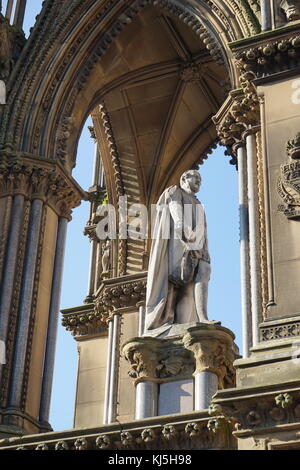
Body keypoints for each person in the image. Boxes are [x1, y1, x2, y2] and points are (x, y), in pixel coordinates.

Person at [144, 169, 211, 336]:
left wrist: (204, 249)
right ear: (184, 178)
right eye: (196, 177)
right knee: (177, 283)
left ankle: (200, 318)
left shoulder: (198, 203)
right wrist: (185, 232)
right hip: (178, 243)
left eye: (200, 179)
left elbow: (203, 228)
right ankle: (173, 323)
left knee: (201, 274)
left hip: (198, 245)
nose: (198, 181)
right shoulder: (175, 191)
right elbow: (176, 213)